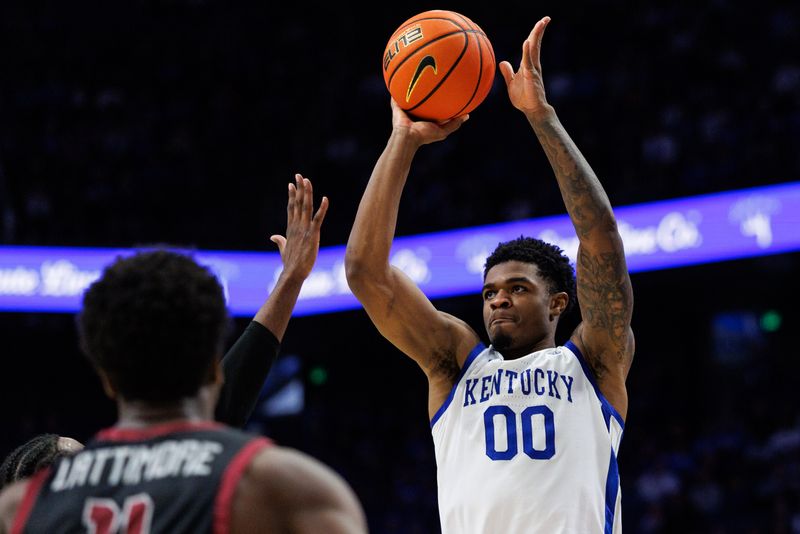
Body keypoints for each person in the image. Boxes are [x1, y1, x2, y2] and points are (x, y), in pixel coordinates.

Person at [345, 16, 634, 533]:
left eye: (517, 288)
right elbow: (367, 272)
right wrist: (403, 141)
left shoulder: (594, 360)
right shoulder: (454, 362)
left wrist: (542, 118)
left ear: (558, 303)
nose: (498, 300)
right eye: (490, 292)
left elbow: (601, 240)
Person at [0, 175, 368, 533]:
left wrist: (290, 281)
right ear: (213, 369)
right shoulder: (285, 490)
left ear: (107, 378)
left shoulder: (20, 509)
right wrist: (290, 280)